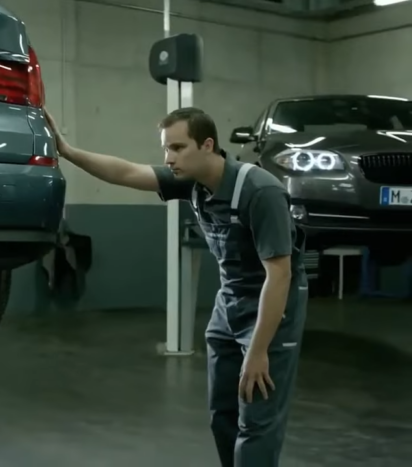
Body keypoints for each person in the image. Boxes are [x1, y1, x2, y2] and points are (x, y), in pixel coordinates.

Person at [43, 107, 307, 467]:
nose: (169, 158)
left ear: (208, 144)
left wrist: (259, 350)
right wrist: (68, 151)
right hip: (229, 304)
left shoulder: (260, 192)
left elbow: (280, 275)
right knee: (223, 415)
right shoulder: (190, 181)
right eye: (166, 149)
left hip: (272, 308)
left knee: (257, 422)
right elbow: (125, 171)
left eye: (178, 148)